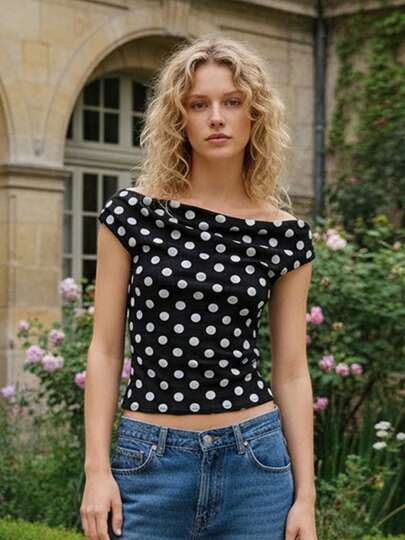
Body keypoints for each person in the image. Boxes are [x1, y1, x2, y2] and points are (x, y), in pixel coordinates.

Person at [80, 34, 318, 540]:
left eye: (232, 102)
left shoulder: (285, 236)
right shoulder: (132, 216)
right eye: (198, 104)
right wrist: (97, 471)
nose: (216, 118)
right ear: (179, 118)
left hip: (255, 465)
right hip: (149, 462)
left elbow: (293, 371)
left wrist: (306, 497)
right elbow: (104, 349)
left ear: (255, 115)